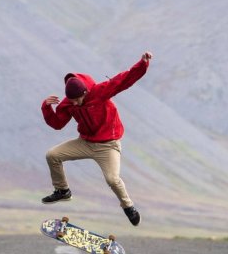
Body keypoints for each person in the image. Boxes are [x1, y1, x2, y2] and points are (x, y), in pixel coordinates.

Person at [40, 51, 153, 225]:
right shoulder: (69, 102)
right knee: (52, 155)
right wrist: (46, 108)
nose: (75, 103)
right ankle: (62, 191)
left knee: (112, 179)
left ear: (85, 92)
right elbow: (57, 124)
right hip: (85, 142)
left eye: (77, 99)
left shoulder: (100, 92)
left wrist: (143, 64)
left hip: (108, 145)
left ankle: (128, 206)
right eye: (72, 100)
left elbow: (124, 80)